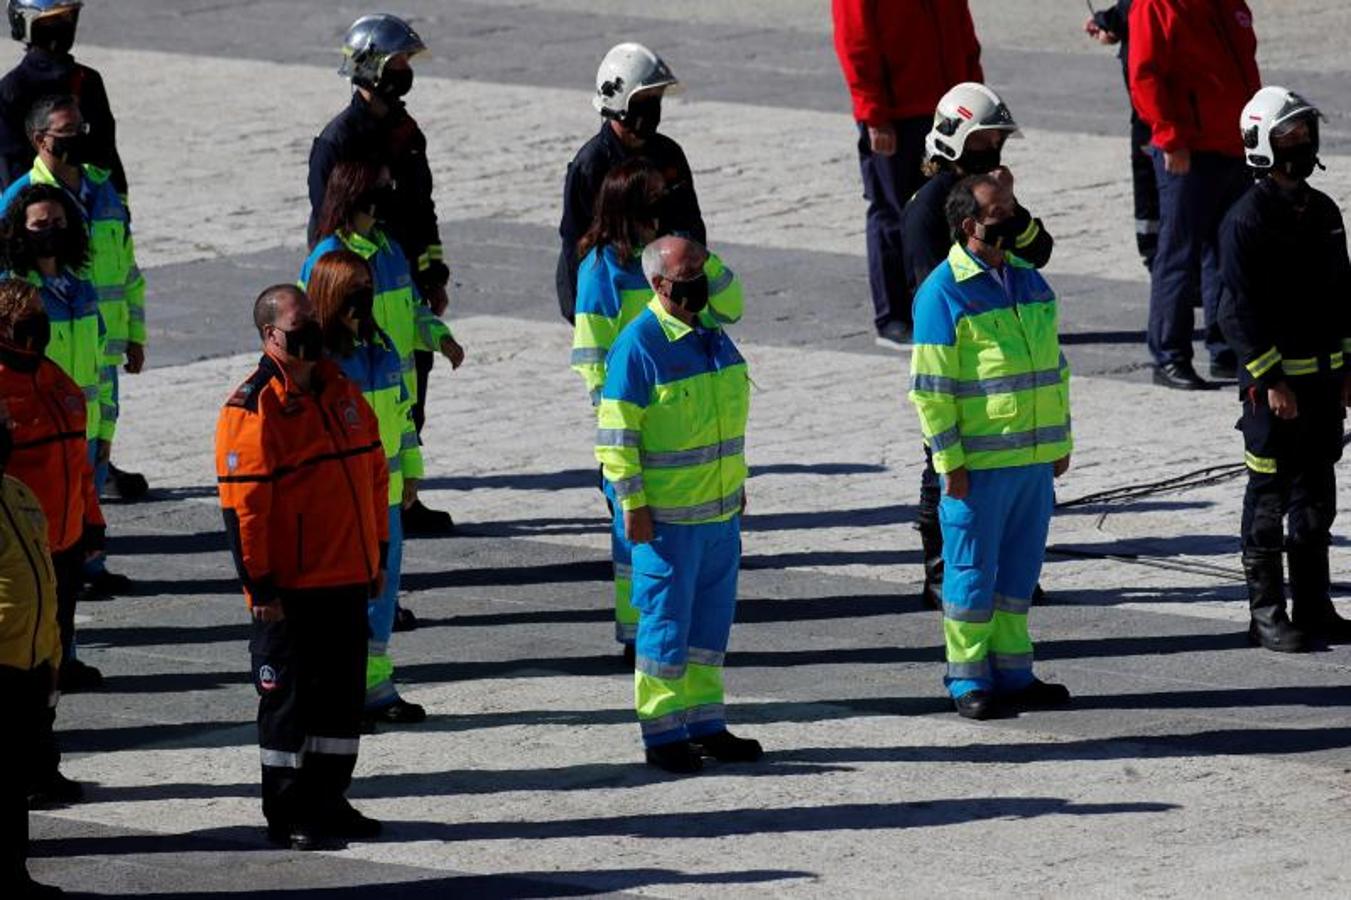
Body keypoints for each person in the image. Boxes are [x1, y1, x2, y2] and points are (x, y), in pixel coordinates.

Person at [215, 284, 387, 851]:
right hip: (289, 589)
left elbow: (375, 471)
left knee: (340, 705)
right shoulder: (253, 407)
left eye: (314, 318)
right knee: (290, 706)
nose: (312, 330)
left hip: (346, 576)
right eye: (299, 324)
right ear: (270, 335)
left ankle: (329, 799)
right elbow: (246, 510)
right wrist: (258, 584)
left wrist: (378, 552)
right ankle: (289, 814)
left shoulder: (341, 387)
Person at [908, 175, 1072, 720]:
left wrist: (1060, 440)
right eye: (1000, 211)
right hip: (977, 466)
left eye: (1014, 207)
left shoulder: (1030, 281)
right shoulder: (942, 292)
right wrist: (948, 462)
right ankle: (967, 677)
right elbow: (931, 389)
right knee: (972, 576)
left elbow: (1054, 369)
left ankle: (1014, 672)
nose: (1013, 218)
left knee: (1019, 576)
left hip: (1030, 462)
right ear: (968, 226)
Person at [596, 235, 760, 774]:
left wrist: (733, 485)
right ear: (658, 284)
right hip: (664, 521)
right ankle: (663, 732)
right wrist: (632, 506)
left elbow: (721, 425)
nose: (699, 279)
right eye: (687, 273)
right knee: (666, 626)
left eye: (701, 269)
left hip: (717, 514)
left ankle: (706, 723)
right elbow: (617, 439)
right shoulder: (638, 346)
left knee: (709, 628)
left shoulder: (711, 333)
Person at [571, 159, 742, 663]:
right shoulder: (601, 270)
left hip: (679, 411)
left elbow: (732, 305)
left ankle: (652, 632)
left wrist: (700, 258)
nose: (664, 211)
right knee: (635, 544)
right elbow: (592, 359)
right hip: (635, 418)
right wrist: (619, 421)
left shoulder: (674, 262)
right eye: (655, 204)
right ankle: (639, 633)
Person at [902, 82, 1053, 611]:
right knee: (938, 460)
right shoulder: (927, 208)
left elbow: (1040, 252)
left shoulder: (992, 196)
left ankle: (1010, 572)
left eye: (997, 141)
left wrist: (1011, 207)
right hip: (958, 356)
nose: (993, 151)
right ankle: (939, 571)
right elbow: (931, 294)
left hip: (1003, 356)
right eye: (984, 140)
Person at [1216, 86, 1351, 654]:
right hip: (1275, 393)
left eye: (1304, 134)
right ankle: (1266, 614)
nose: (1301, 144)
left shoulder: (1321, 211)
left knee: (1317, 496)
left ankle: (1315, 606)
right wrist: (1271, 381)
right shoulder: (1246, 220)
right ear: (1261, 147)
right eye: (1288, 137)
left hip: (1324, 384)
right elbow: (1237, 311)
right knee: (1268, 498)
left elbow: (1344, 294)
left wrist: (1349, 368)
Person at [309, 13, 453, 539]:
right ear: (369, 67)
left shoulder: (406, 131)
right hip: (359, 289)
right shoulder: (338, 141)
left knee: (411, 386)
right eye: (397, 63)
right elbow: (325, 223)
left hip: (403, 280)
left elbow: (423, 207)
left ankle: (403, 492)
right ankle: (365, 492)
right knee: (365, 389)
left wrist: (432, 268)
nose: (404, 72)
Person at [303, 160, 463, 555]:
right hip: (352, 403)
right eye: (373, 200)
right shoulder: (330, 260)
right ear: (351, 200)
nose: (380, 209)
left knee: (387, 518)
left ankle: (384, 603)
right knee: (356, 519)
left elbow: (412, 309)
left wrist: (441, 339)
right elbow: (310, 329)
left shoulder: (389, 249)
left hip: (393, 398)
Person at [0, 94, 147, 502]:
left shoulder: (104, 190)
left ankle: (90, 553)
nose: (77, 140)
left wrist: (135, 334)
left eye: (80, 131)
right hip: (45, 358)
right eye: (65, 134)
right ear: (38, 139)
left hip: (99, 347)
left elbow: (129, 272)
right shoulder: (20, 201)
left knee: (97, 447)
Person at [308, 249, 425, 725]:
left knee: (383, 593)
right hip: (342, 503)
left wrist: (412, 471)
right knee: (340, 603)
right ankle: (336, 692)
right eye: (353, 289)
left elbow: (403, 416)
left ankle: (374, 685)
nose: (364, 297)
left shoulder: (382, 348)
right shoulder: (319, 363)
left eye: (367, 287)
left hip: (387, 497)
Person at [0, 182, 129, 607]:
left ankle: (65, 654)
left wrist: (106, 427)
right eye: (40, 224)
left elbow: (104, 366)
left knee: (73, 544)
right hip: (33, 442)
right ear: (20, 231)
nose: (51, 230)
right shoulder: (15, 300)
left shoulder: (82, 289)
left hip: (81, 432)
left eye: (58, 222)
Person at [832, 0, 983, 349]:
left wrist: (974, 95)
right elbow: (856, 44)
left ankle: (944, 308)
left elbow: (963, 29)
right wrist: (874, 115)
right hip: (896, 116)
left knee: (948, 209)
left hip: (947, 110)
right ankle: (894, 318)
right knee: (893, 212)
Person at [0, 277, 97, 808]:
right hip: (17, 552)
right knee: (19, 670)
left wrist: (93, 522)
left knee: (50, 662)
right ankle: (27, 765)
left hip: (62, 548)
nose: (39, 321)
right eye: (27, 314)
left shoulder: (57, 381)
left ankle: (43, 762)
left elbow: (79, 465)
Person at [1128, 0, 1259, 389]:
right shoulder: (1157, 5)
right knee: (1179, 253)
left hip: (1233, 146)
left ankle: (1226, 348)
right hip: (1188, 150)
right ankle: (1169, 355)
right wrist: (1169, 138)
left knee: (1229, 252)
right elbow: (1145, 74)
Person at [556, 42, 704, 325]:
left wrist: (692, 282)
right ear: (619, 101)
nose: (653, 110)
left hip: (669, 296)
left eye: (656, 100)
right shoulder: (591, 166)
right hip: (615, 298)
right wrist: (582, 311)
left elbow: (691, 223)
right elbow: (575, 241)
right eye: (644, 102)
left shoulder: (669, 155)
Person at [0, 409, 65, 899]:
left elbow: (45, 582)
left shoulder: (19, 495)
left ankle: (15, 874)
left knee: (14, 780)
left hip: (29, 664)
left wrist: (52, 659)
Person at [0, 0, 126, 196]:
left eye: (69, 16)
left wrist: (119, 203)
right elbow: (10, 165)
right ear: (27, 23)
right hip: (41, 209)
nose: (64, 24)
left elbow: (106, 152)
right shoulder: (12, 89)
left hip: (93, 201)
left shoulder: (88, 80)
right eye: (54, 19)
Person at [1084, 0, 1160, 270]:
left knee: (1152, 180)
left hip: (1157, 115)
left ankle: (1157, 255)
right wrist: (1113, 24)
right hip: (1153, 111)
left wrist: (1109, 21)